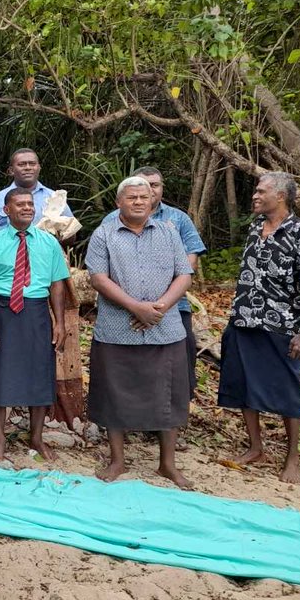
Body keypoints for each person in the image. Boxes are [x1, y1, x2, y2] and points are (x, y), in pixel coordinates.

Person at [85, 176, 193, 487]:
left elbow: (184, 275)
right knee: (114, 392)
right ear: (118, 202)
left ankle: (167, 464)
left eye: (144, 197)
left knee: (168, 395)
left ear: (152, 201)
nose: (138, 202)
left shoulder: (169, 232)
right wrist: (136, 307)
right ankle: (118, 461)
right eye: (131, 197)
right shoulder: (104, 234)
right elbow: (98, 279)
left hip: (165, 327)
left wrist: (158, 307)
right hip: (117, 329)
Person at [218, 173, 300, 484]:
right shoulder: (255, 227)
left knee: (288, 392)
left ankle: (292, 460)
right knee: (245, 385)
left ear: (281, 196)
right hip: (244, 318)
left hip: (282, 325)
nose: (255, 196)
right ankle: (256, 448)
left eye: (261, 192)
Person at [0, 187, 70, 461]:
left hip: (37, 313)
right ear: (6, 210)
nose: (27, 208)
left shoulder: (49, 243)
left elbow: (57, 285)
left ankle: (36, 437)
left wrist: (59, 323)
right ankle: (0, 439)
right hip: (3, 313)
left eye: (30, 204)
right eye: (20, 204)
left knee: (40, 374)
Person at [102, 166, 206, 395]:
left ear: (159, 189)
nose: (147, 192)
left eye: (154, 186)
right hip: (124, 307)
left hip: (173, 304)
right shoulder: (110, 221)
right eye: (141, 186)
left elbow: (189, 264)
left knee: (180, 358)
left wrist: (158, 306)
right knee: (130, 365)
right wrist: (136, 306)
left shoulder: (177, 219)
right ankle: (133, 416)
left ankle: (172, 415)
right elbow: (103, 269)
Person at [0, 148, 73, 242]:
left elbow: (71, 235)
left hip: (45, 258)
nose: (28, 168)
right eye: (22, 164)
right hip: (6, 259)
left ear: (39, 168)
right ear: (11, 170)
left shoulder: (55, 198)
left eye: (32, 164)